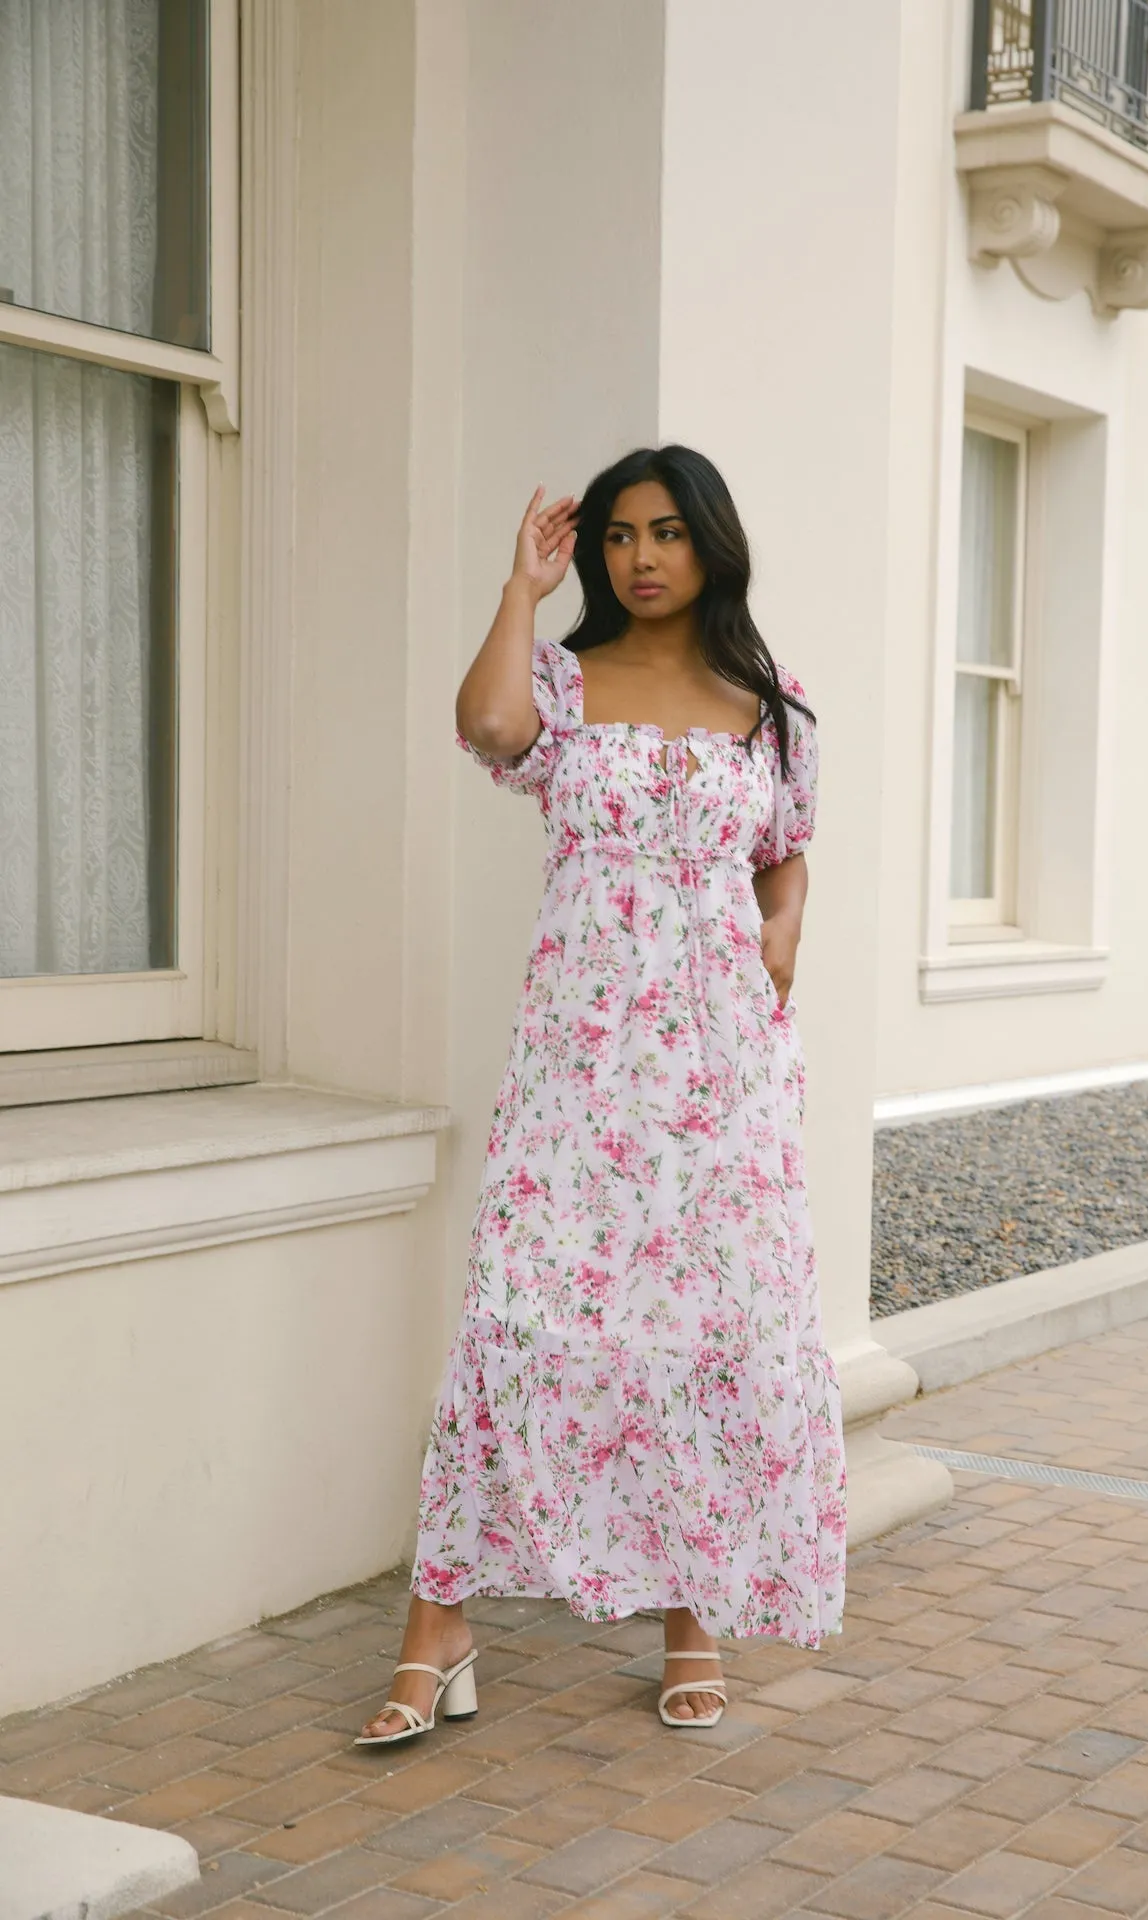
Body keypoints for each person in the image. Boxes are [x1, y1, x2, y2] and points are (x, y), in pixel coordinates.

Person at [358, 445, 846, 1744]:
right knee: (518, 1322)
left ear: (711, 547)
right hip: (580, 1069)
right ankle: (440, 1624)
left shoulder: (770, 702)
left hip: (725, 1072)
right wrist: (519, 590)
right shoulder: (563, 685)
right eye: (619, 534)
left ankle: (693, 1613)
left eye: (668, 533)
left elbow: (789, 852)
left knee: (703, 1333)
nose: (640, 556)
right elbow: (487, 729)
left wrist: (782, 932)